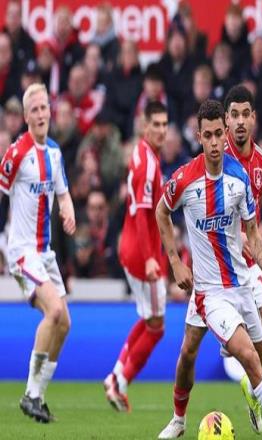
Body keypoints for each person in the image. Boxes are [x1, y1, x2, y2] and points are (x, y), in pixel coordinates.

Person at [158, 86, 262, 439]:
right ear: (199, 136)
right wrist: (175, 263)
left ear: (225, 132)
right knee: (193, 353)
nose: (215, 142)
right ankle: (180, 420)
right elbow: (161, 211)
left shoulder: (240, 177)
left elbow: (253, 233)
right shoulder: (184, 179)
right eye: (209, 135)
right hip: (208, 291)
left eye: (220, 134)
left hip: (242, 282)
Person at [0, 83, 76, 423]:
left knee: (65, 324)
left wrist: (68, 211)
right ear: (26, 117)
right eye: (35, 110)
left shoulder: (55, 153)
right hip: (21, 251)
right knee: (54, 310)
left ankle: (39, 396)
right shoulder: (17, 153)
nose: (42, 114)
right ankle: (30, 394)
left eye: (44, 107)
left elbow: (63, 194)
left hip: (45, 253)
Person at [103, 102, 169, 412]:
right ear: (144, 125)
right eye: (156, 124)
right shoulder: (148, 163)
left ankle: (115, 376)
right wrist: (150, 258)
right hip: (142, 254)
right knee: (156, 327)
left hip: (132, 248)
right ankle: (120, 381)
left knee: (148, 318)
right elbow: (142, 214)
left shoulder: (143, 154)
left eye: (164, 124)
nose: (161, 130)